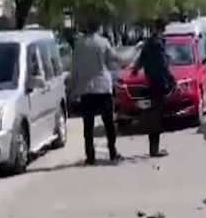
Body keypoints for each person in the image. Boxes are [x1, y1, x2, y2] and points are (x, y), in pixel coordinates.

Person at [71, 18, 122, 165]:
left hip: (86, 89)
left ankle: (90, 155)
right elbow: (115, 58)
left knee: (88, 125)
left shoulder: (79, 44)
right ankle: (112, 151)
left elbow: (74, 68)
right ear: (98, 28)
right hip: (102, 86)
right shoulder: (103, 42)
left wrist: (74, 88)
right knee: (109, 123)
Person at [132, 18, 175, 158]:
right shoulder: (158, 43)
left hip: (150, 81)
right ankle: (154, 149)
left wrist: (136, 70)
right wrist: (171, 79)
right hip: (159, 83)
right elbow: (163, 64)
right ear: (162, 28)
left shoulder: (149, 42)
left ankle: (153, 148)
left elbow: (141, 59)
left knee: (153, 116)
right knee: (157, 116)